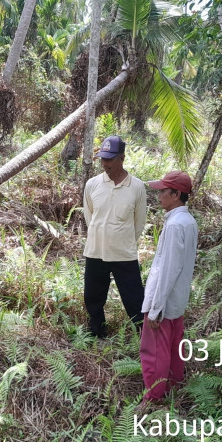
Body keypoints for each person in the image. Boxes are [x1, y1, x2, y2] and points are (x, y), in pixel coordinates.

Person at [139, 171, 198, 405]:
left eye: (163, 191)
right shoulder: (188, 221)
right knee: (174, 346)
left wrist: (155, 308)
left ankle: (153, 397)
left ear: (176, 194)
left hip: (164, 300)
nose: (159, 195)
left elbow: (168, 269)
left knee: (154, 351)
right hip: (178, 299)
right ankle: (174, 385)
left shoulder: (175, 225)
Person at [83, 135, 147, 338]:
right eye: (102, 158)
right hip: (96, 251)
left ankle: (144, 335)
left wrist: (123, 238)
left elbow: (139, 222)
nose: (104, 163)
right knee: (93, 296)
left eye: (109, 159)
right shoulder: (92, 185)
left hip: (124, 253)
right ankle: (97, 333)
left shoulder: (136, 187)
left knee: (134, 297)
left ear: (122, 158)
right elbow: (89, 216)